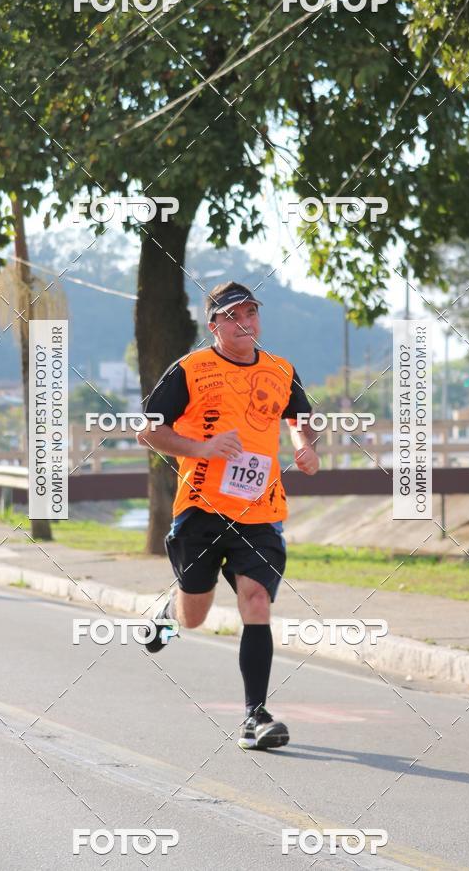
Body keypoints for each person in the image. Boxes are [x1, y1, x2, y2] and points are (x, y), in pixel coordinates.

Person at [137, 281, 319, 750]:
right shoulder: (191, 370)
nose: (246, 323)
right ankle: (172, 610)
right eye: (235, 316)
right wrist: (202, 447)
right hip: (200, 508)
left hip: (260, 511)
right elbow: (149, 430)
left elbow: (302, 419)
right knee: (194, 616)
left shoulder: (281, 370)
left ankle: (255, 716)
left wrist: (304, 449)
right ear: (214, 324)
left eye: (252, 314)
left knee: (256, 601)